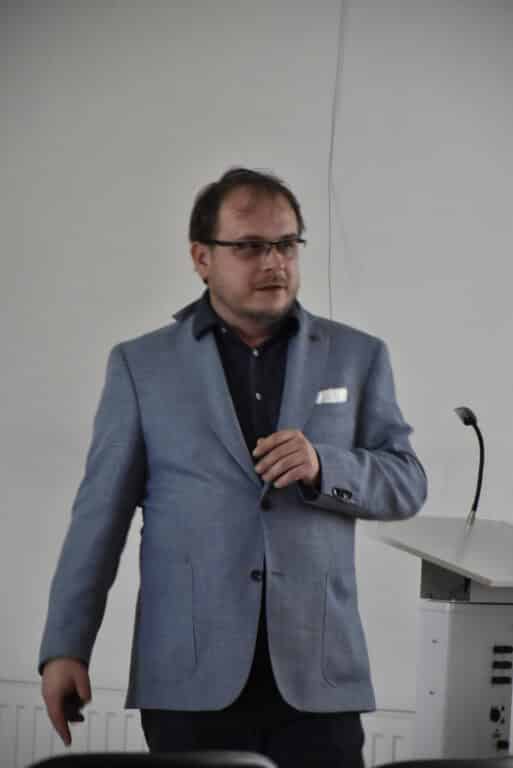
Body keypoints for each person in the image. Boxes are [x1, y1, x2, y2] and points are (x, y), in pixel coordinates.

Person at [40, 167, 427, 768]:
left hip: (318, 673)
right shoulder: (142, 366)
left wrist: (324, 465)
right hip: (189, 673)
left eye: (287, 244)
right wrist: (66, 647)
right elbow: (99, 518)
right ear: (202, 257)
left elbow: (406, 482)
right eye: (249, 246)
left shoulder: (357, 355)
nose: (274, 262)